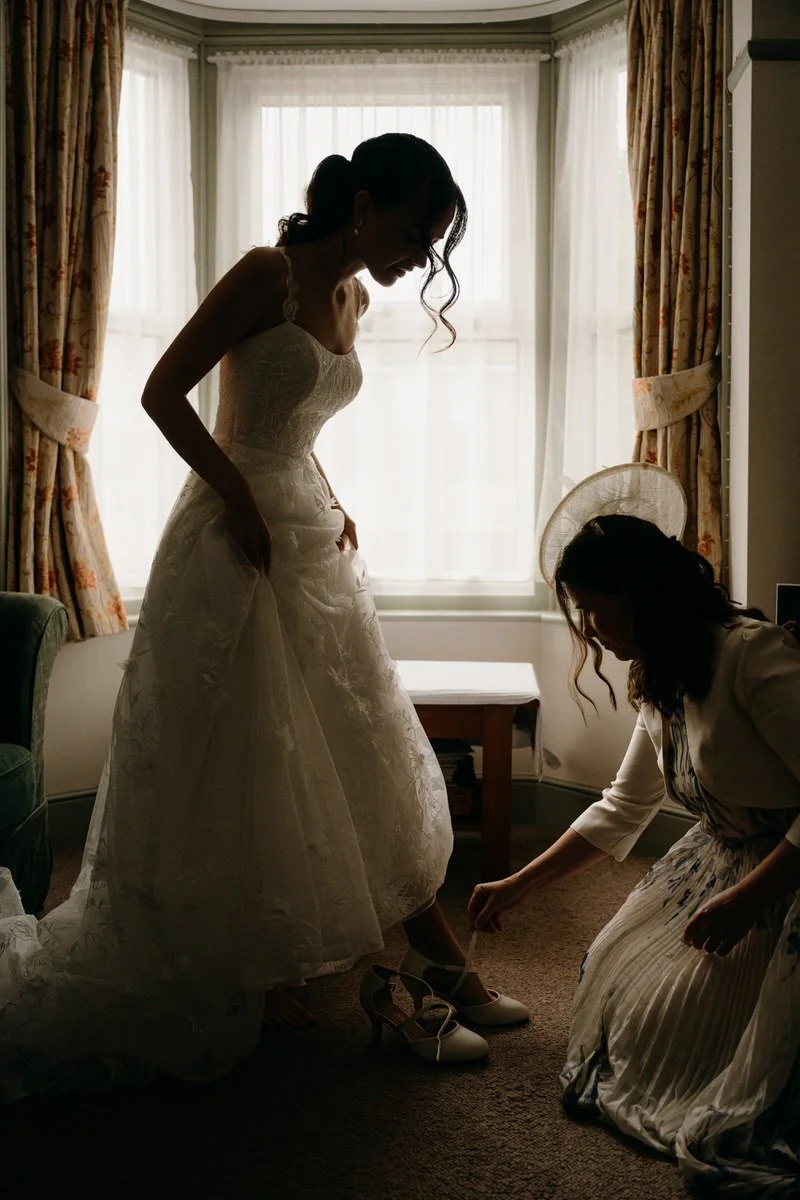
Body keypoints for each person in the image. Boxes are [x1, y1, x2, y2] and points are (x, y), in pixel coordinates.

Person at [0, 133, 527, 1101]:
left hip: (309, 538)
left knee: (355, 753)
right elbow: (164, 394)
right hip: (232, 538)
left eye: (431, 243)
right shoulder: (266, 273)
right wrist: (238, 495)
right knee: (244, 761)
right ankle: (282, 968)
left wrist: (327, 491)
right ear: (363, 203)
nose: (420, 259)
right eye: (416, 231)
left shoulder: (354, 296)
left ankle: (445, 965)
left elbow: (298, 422)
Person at [469, 464, 800, 1194]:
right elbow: (624, 806)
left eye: (596, 609)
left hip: (787, 868)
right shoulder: (660, 671)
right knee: (627, 1013)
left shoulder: (751, 655)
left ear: (645, 598)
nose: (589, 629)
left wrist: (749, 900)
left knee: (738, 1090)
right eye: (580, 611)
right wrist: (517, 886)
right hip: (719, 860)